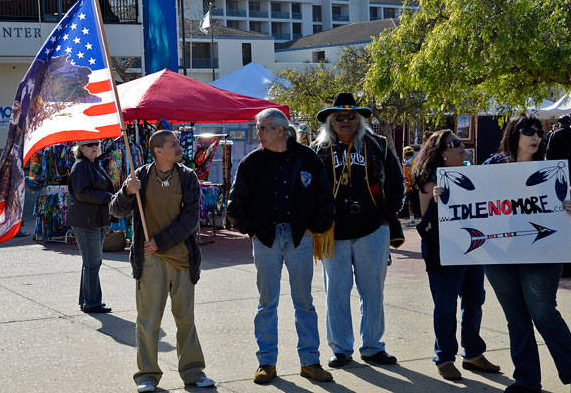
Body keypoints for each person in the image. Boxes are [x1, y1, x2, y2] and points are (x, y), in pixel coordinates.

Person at [483, 114, 571, 393]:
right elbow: (471, 200)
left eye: (539, 132)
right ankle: (527, 380)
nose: (535, 136)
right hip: (501, 254)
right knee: (516, 317)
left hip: (542, 252)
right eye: (528, 131)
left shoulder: (549, 169)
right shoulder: (492, 166)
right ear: (513, 134)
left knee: (544, 313)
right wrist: (443, 194)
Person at [227, 108, 335, 384]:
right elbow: (235, 204)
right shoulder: (251, 163)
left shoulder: (306, 158)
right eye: (258, 128)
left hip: (300, 237)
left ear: (280, 130)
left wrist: (313, 228)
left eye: (262, 128)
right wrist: (250, 231)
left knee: (304, 303)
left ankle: (310, 361)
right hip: (265, 239)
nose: (258, 134)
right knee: (267, 303)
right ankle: (266, 362)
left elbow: (325, 197)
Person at [110, 130, 214, 392]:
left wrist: (161, 241)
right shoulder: (140, 176)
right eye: (173, 144)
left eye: (178, 143)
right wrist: (126, 191)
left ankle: (193, 373)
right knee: (148, 321)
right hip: (150, 261)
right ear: (158, 151)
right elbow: (115, 210)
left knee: (185, 319)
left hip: (181, 259)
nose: (179, 147)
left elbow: (190, 220)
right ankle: (147, 375)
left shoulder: (188, 177)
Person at [312, 92, 405, 369]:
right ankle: (340, 349)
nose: (345, 121)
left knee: (373, 292)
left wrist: (387, 216)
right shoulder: (319, 150)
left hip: (372, 231)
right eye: (338, 117)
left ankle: (373, 347)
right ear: (330, 121)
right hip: (333, 234)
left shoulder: (378, 145)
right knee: (336, 294)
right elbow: (308, 189)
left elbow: (398, 183)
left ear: (359, 119)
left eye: (351, 116)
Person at [411, 130, 500, 381]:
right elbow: (425, 226)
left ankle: (472, 353)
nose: (462, 147)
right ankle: (445, 358)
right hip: (443, 252)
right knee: (446, 305)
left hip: (472, 249)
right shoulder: (429, 181)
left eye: (461, 142)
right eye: (455, 144)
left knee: (474, 300)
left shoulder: (471, 175)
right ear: (442, 153)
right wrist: (438, 202)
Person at [66, 139, 114, 314]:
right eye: (89, 145)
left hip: (95, 219)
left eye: (96, 144)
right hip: (86, 220)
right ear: (81, 148)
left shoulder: (93, 164)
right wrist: (107, 196)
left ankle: (86, 300)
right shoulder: (80, 166)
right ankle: (92, 302)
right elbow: (82, 193)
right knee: (93, 262)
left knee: (90, 262)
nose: (94, 147)